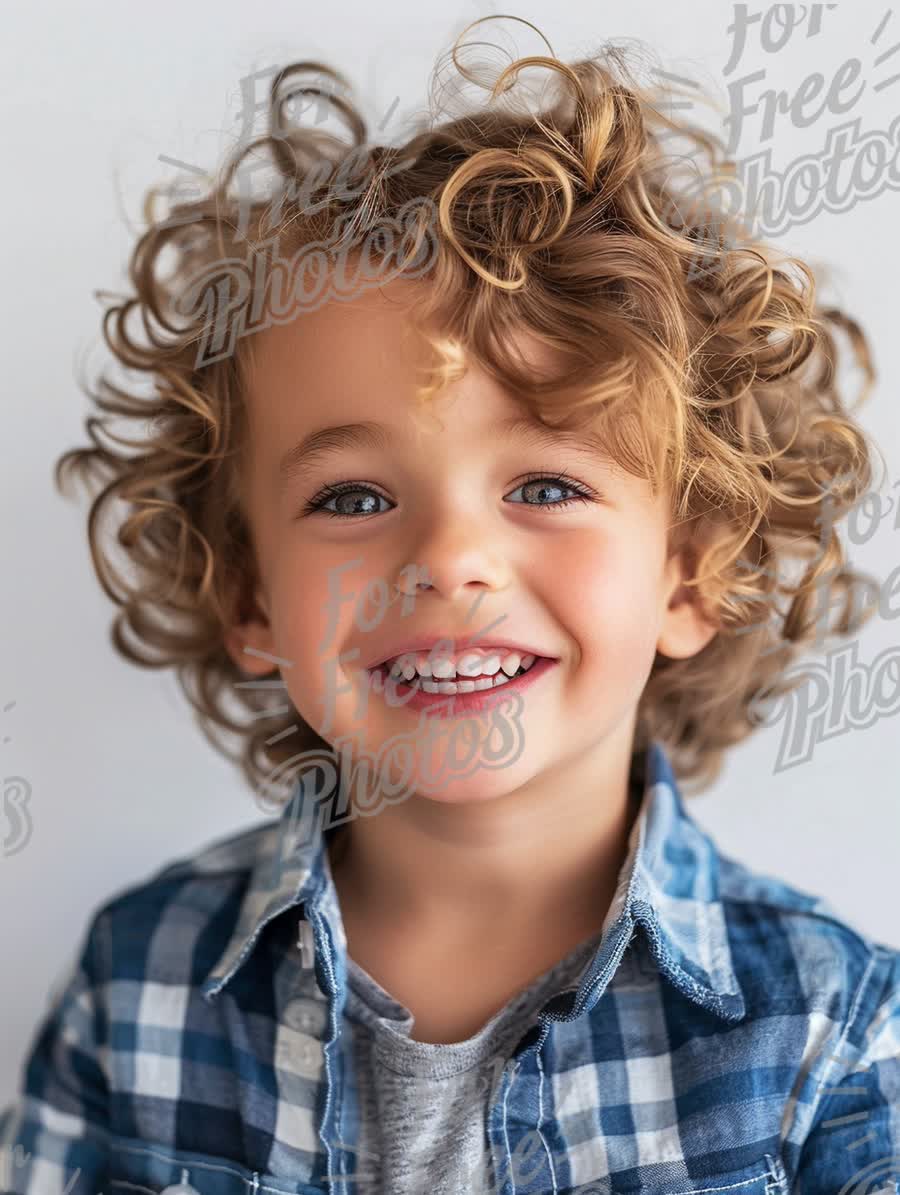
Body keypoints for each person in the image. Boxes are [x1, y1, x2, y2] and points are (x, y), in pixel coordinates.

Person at [2, 17, 898, 1195]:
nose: (450, 558)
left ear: (689, 571)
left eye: (546, 484)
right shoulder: (137, 985)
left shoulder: (835, 1033)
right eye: (355, 494)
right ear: (249, 591)